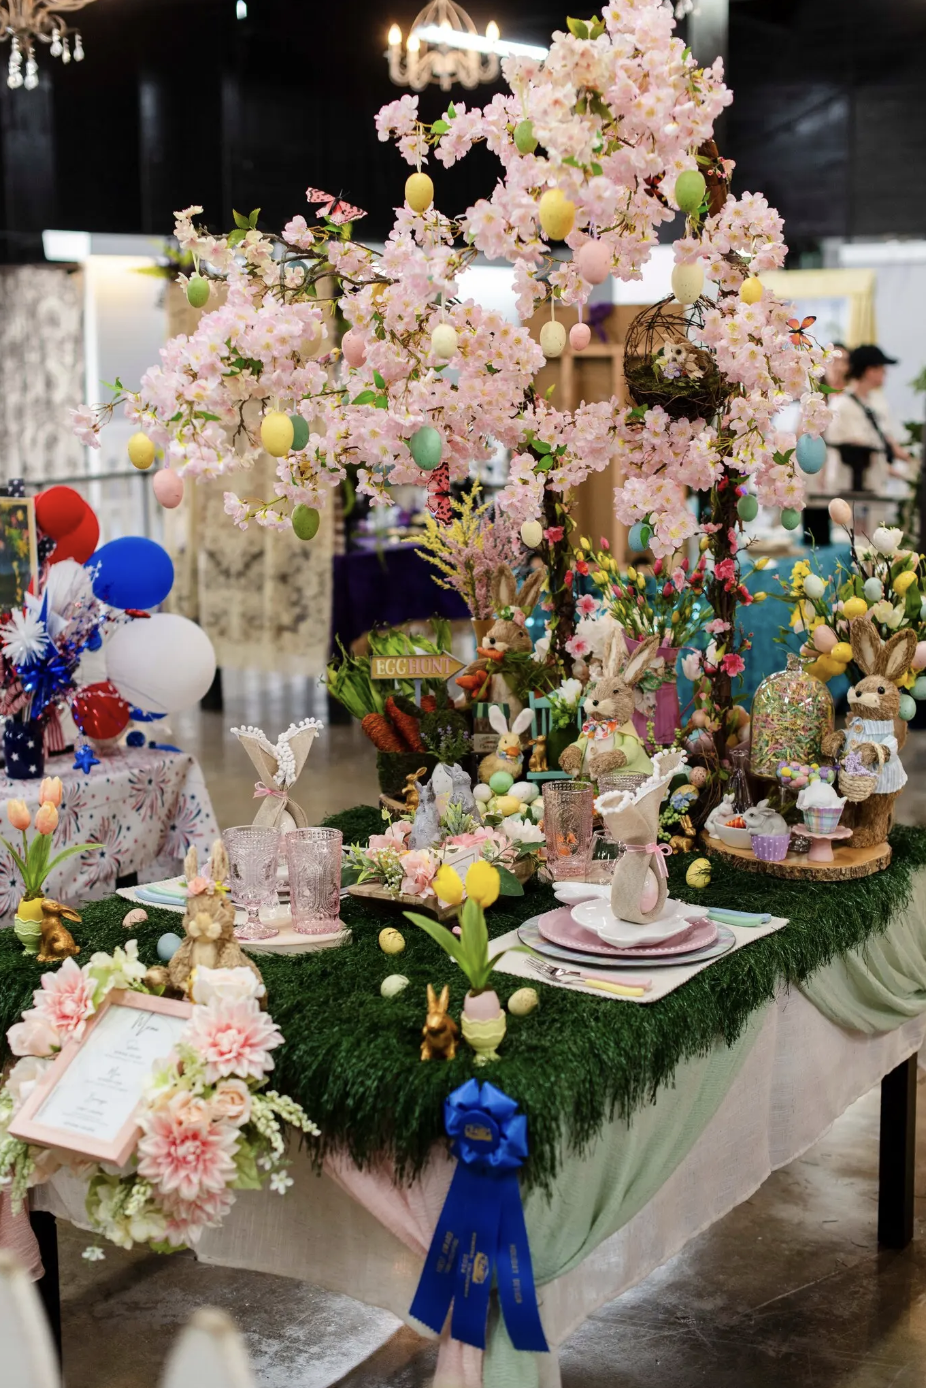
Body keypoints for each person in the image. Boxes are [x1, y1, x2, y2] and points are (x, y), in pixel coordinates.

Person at [824, 344, 914, 528]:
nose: (885, 374)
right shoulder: (842, 406)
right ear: (868, 370)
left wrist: (909, 464)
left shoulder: (875, 403)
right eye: (881, 369)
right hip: (848, 493)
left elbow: (884, 443)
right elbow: (850, 451)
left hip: (874, 488)